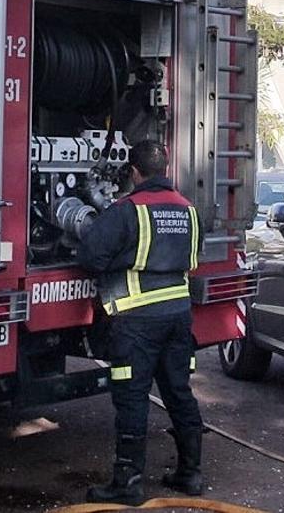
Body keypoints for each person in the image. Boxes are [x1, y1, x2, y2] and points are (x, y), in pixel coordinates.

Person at [76, 139, 205, 505]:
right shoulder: (189, 209)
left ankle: (128, 484)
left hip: (137, 321)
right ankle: (190, 475)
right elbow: (194, 259)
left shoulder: (126, 210)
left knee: (132, 399)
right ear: (165, 169)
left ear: (134, 172)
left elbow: (91, 256)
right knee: (179, 392)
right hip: (179, 317)